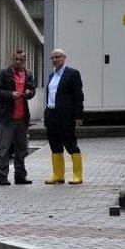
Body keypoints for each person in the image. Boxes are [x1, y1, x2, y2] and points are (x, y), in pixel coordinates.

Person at [0, 49, 37, 186]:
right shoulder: (4, 73)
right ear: (12, 59)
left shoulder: (28, 74)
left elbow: (32, 90)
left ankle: (20, 176)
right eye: (16, 59)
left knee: (21, 149)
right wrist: (11, 94)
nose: (18, 61)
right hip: (7, 117)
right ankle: (2, 177)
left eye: (21, 59)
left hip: (22, 118)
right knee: (4, 149)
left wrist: (29, 92)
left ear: (24, 61)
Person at [44, 48, 84, 185]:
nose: (55, 60)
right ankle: (58, 175)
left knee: (70, 143)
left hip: (65, 116)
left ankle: (77, 174)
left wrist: (78, 115)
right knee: (54, 145)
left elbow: (78, 96)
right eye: (53, 58)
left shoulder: (72, 74)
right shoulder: (51, 76)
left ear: (64, 58)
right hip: (51, 114)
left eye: (57, 57)